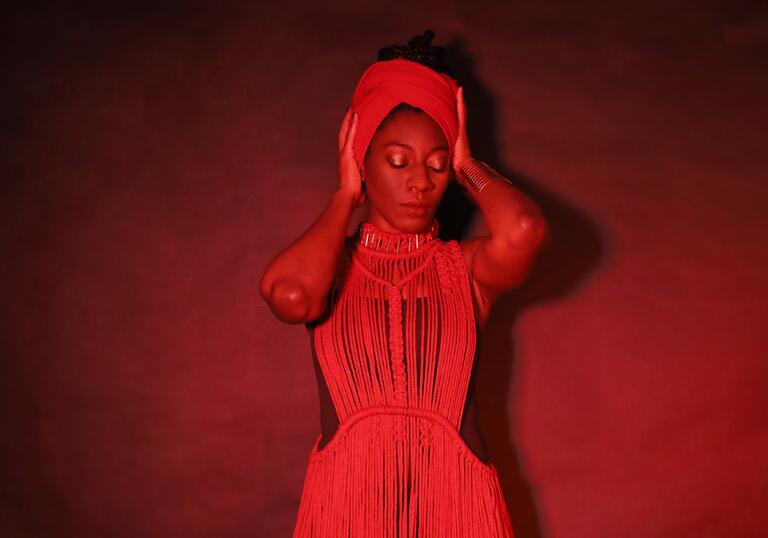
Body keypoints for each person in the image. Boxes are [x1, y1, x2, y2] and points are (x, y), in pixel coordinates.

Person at [260, 29, 548, 537]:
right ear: (363, 161)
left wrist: (468, 166)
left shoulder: (466, 270)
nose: (421, 182)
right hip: (348, 511)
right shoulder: (331, 270)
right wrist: (345, 196)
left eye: (437, 166)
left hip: (459, 510)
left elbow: (523, 228)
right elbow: (291, 296)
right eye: (398, 162)